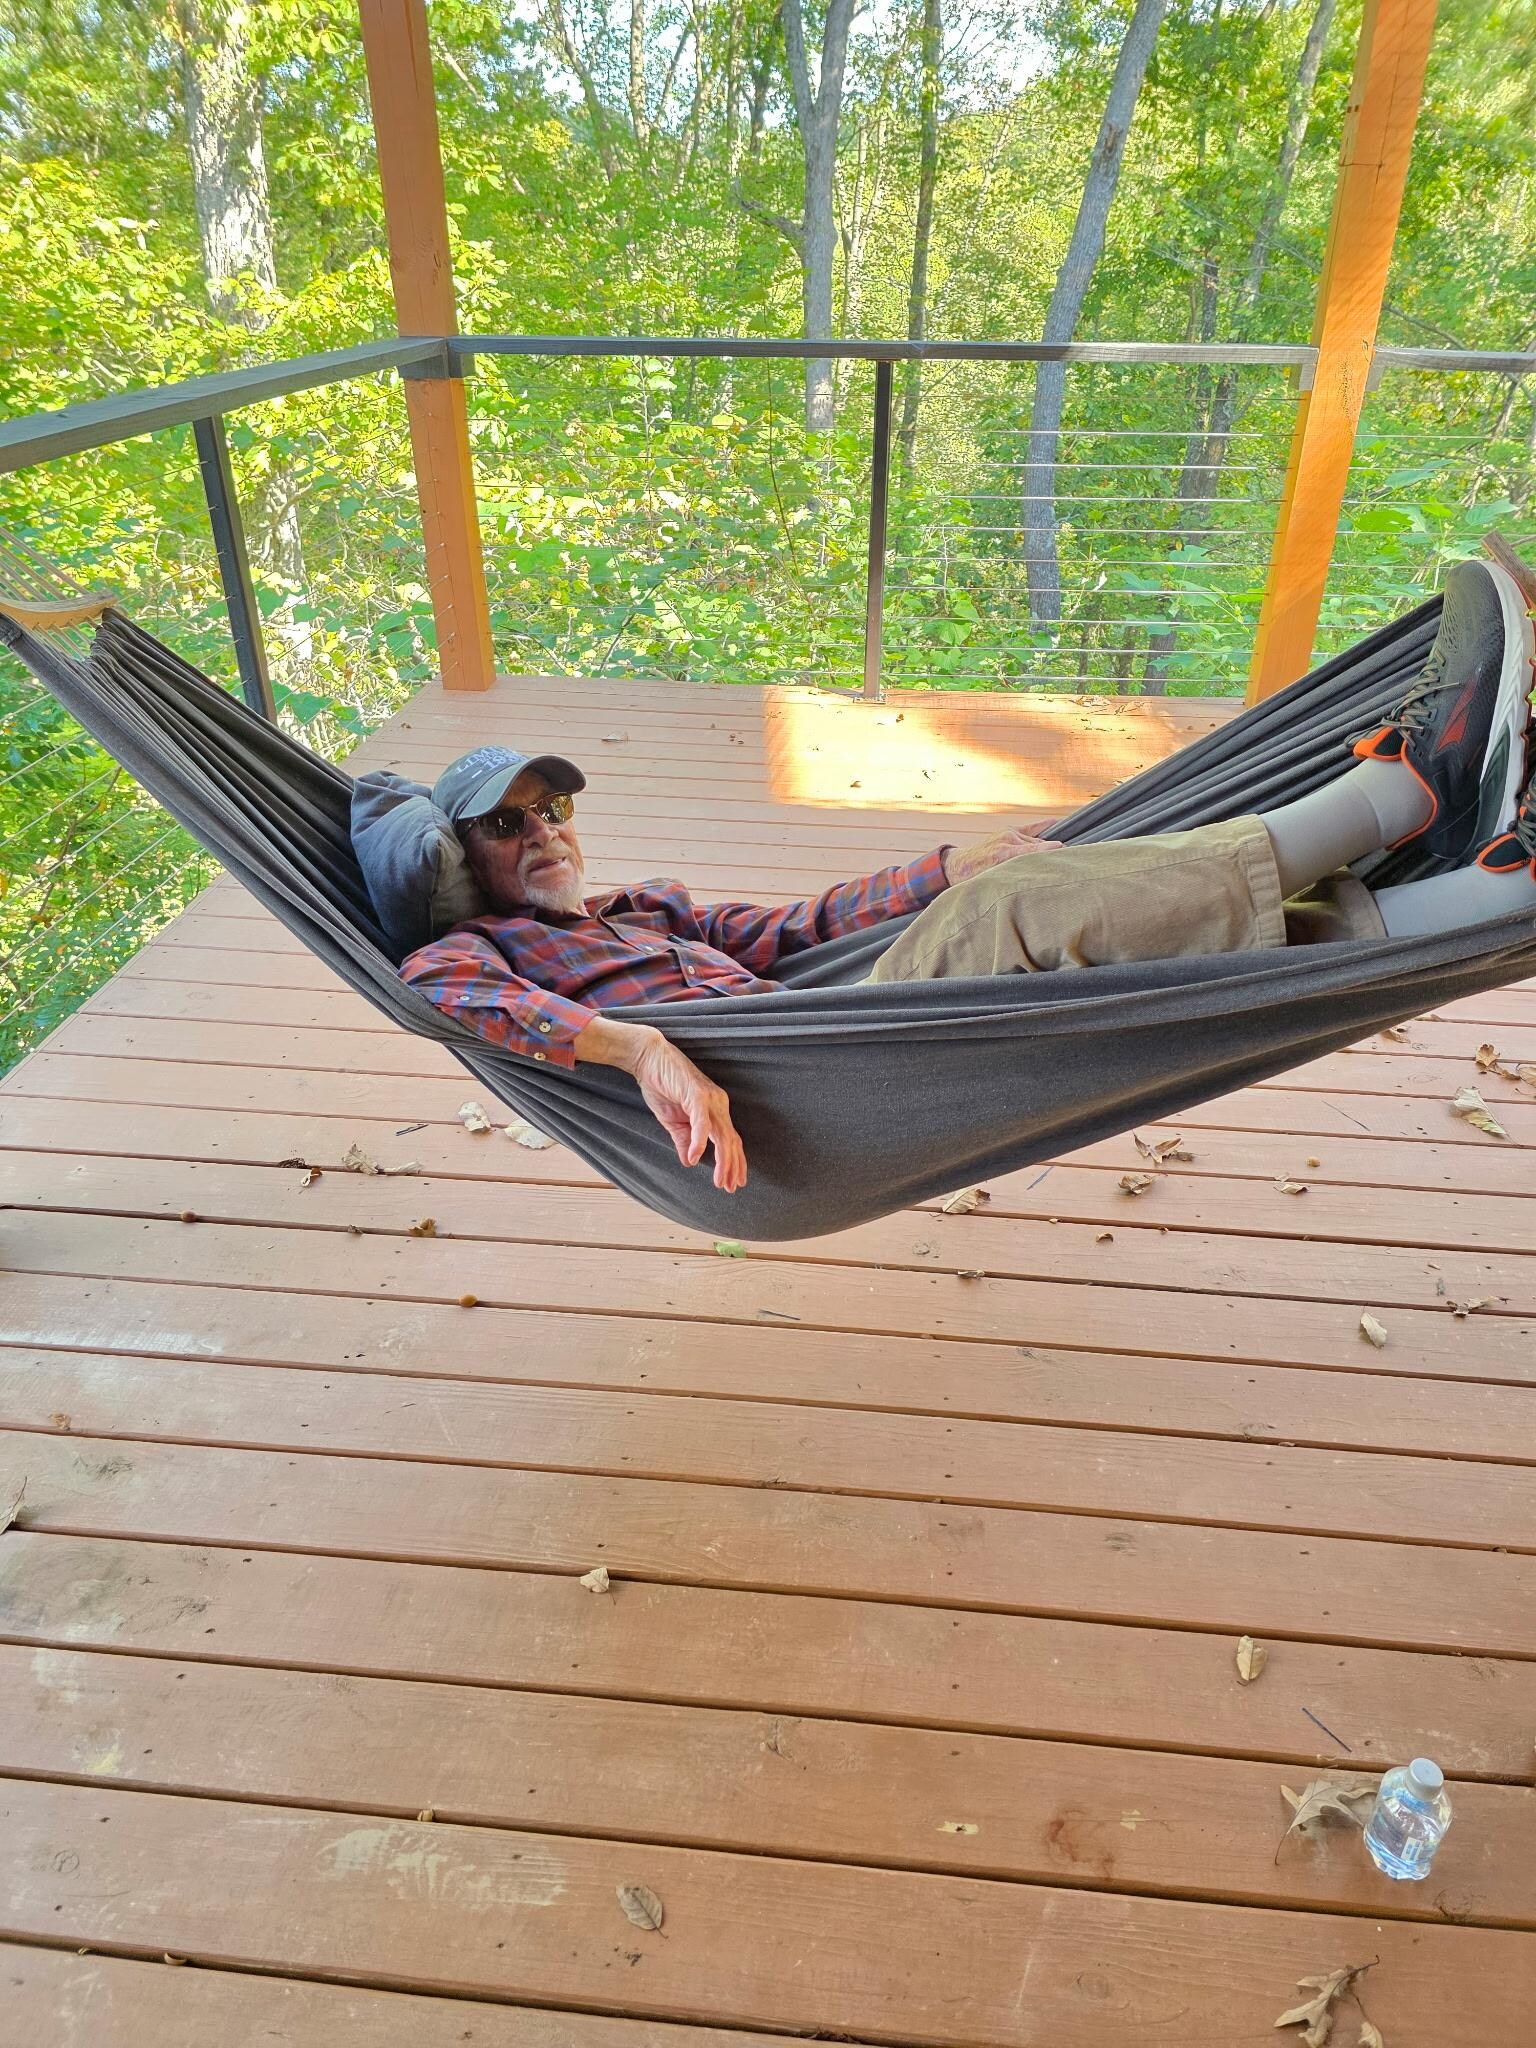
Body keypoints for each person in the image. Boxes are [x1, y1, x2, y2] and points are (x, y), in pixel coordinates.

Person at [403, 559, 1536, 1195]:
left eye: (550, 807)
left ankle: (1474, 895)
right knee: (1014, 909)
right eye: (506, 825)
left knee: (1054, 905)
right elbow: (447, 1001)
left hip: (833, 1018)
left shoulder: (641, 908)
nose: (542, 829)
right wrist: (641, 1043)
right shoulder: (473, 952)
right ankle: (1402, 793)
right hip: (814, 1082)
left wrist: (945, 861)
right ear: (469, 863)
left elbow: (800, 927)